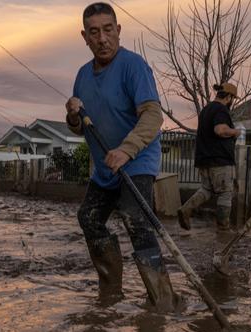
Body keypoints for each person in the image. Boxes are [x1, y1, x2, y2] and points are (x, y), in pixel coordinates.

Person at [65, 2, 178, 310]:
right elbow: (79, 130)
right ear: (84, 37)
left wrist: (127, 150)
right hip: (105, 166)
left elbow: (153, 116)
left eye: (108, 30)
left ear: (118, 30)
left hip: (137, 160)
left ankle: (163, 300)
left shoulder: (133, 66)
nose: (102, 39)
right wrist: (72, 114)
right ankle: (111, 289)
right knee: (88, 218)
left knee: (134, 217)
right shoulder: (82, 76)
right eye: (94, 32)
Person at [177, 82, 241, 231]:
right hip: (220, 160)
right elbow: (220, 130)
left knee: (207, 189)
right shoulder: (221, 109)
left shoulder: (206, 110)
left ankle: (186, 209)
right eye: (233, 98)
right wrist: (234, 132)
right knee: (226, 192)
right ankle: (223, 227)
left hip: (204, 159)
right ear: (229, 97)